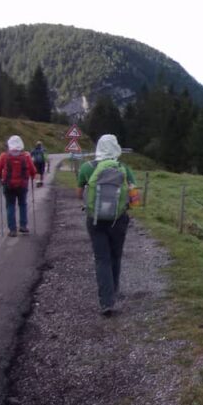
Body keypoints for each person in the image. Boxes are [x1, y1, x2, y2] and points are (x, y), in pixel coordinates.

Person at [76, 134, 137, 316]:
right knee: (115, 257)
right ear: (116, 148)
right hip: (118, 220)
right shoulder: (124, 169)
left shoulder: (87, 168)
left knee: (102, 259)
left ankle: (106, 301)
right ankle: (114, 292)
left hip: (95, 220)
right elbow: (134, 200)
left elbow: (79, 194)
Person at [0, 136, 37, 237]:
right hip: (22, 186)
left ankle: (12, 230)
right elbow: (33, 171)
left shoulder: (4, 156)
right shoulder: (26, 156)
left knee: (10, 205)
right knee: (22, 204)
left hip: (8, 185)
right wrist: (32, 176)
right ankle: (23, 226)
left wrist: (2, 177)